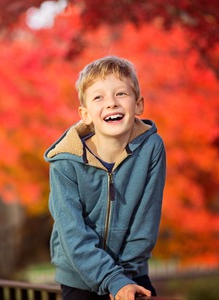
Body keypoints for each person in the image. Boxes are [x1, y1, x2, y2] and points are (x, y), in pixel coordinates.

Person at [44, 56, 166, 300]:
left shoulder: (152, 148)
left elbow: (146, 223)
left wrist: (122, 281)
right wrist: (112, 281)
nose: (111, 103)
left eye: (121, 94)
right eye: (99, 97)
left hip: (132, 270)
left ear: (138, 105)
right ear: (86, 113)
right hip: (79, 276)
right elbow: (73, 234)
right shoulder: (65, 162)